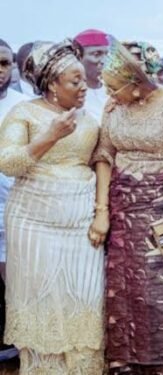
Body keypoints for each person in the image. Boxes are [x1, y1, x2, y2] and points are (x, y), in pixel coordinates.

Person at [88, 39, 163, 374]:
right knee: (123, 294)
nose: (109, 94)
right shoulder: (112, 108)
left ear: (137, 85)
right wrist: (102, 212)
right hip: (121, 213)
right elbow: (104, 155)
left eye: (115, 87)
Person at [0, 40, 105, 373]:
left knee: (85, 300)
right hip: (34, 222)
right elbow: (7, 162)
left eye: (82, 79)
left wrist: (102, 211)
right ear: (52, 85)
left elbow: (101, 159)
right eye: (75, 81)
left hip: (80, 223)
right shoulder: (25, 112)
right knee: (43, 305)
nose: (84, 86)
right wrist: (50, 136)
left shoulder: (89, 115)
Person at [0, 38, 26, 361]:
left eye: (5, 63)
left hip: (14, 205)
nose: (0, 71)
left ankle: (14, 345)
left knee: (13, 277)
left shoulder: (23, 106)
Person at [74, 29, 109, 121]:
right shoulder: (72, 95)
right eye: (97, 54)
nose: (104, 61)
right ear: (78, 57)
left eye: (107, 54)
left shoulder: (116, 92)